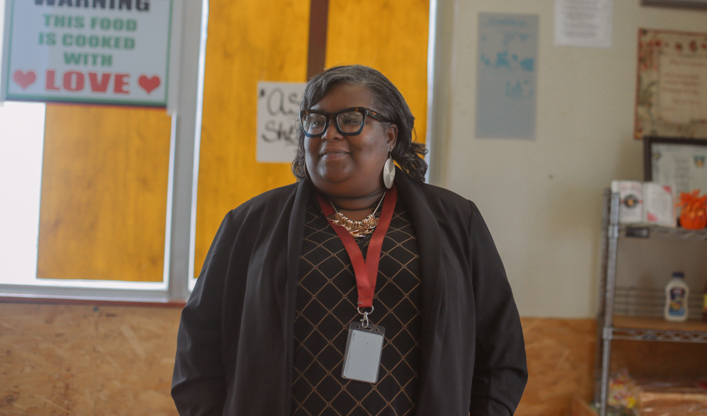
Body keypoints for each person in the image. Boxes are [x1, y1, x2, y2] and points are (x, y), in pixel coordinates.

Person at [172, 65, 528, 415]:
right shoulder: (249, 224)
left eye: (350, 119)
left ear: (390, 136)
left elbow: (501, 348)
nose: (329, 134)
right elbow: (198, 347)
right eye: (316, 121)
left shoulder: (455, 220)